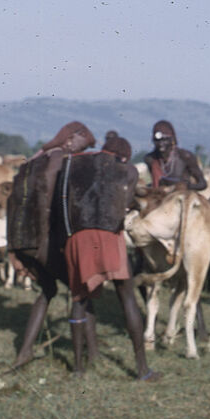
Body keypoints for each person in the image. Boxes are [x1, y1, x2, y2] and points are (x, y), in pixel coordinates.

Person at [62, 135, 158, 380]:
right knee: (127, 298)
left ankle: (78, 369)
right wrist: (137, 205)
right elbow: (123, 204)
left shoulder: (74, 164)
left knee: (78, 301)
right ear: (124, 156)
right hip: (109, 235)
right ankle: (142, 369)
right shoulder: (127, 170)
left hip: (78, 236)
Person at [8, 121, 97, 369]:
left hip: (24, 239)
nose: (84, 152)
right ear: (69, 139)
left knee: (48, 289)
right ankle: (90, 356)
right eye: (83, 145)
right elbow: (49, 193)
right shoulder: (58, 158)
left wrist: (14, 247)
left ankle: (24, 352)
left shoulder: (37, 158)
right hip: (41, 238)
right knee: (82, 288)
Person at [143, 120, 207, 191]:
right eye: (157, 140)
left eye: (164, 140)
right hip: (160, 196)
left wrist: (185, 187)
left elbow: (203, 184)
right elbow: (155, 183)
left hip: (182, 197)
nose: (161, 143)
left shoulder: (185, 156)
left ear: (172, 139)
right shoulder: (150, 159)